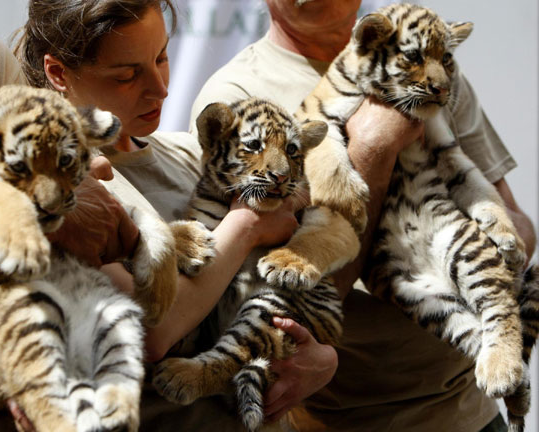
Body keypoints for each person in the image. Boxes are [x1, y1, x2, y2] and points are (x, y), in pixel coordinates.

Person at [189, 1, 536, 431]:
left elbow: (515, 224)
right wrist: (373, 150)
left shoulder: (428, 57)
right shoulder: (238, 95)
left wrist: (494, 278)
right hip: (349, 418)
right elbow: (283, 301)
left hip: (471, 405)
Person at [14, 0, 336, 430]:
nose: (160, 88)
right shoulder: (59, 185)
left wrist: (323, 359)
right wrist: (246, 225)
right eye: (127, 75)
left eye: (162, 57)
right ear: (58, 73)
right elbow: (150, 330)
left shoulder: (189, 153)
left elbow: (291, 297)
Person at [0, 19, 146, 432]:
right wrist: (39, 222)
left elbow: (103, 221)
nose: (158, 88)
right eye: (126, 74)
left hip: (55, 369)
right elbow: (66, 212)